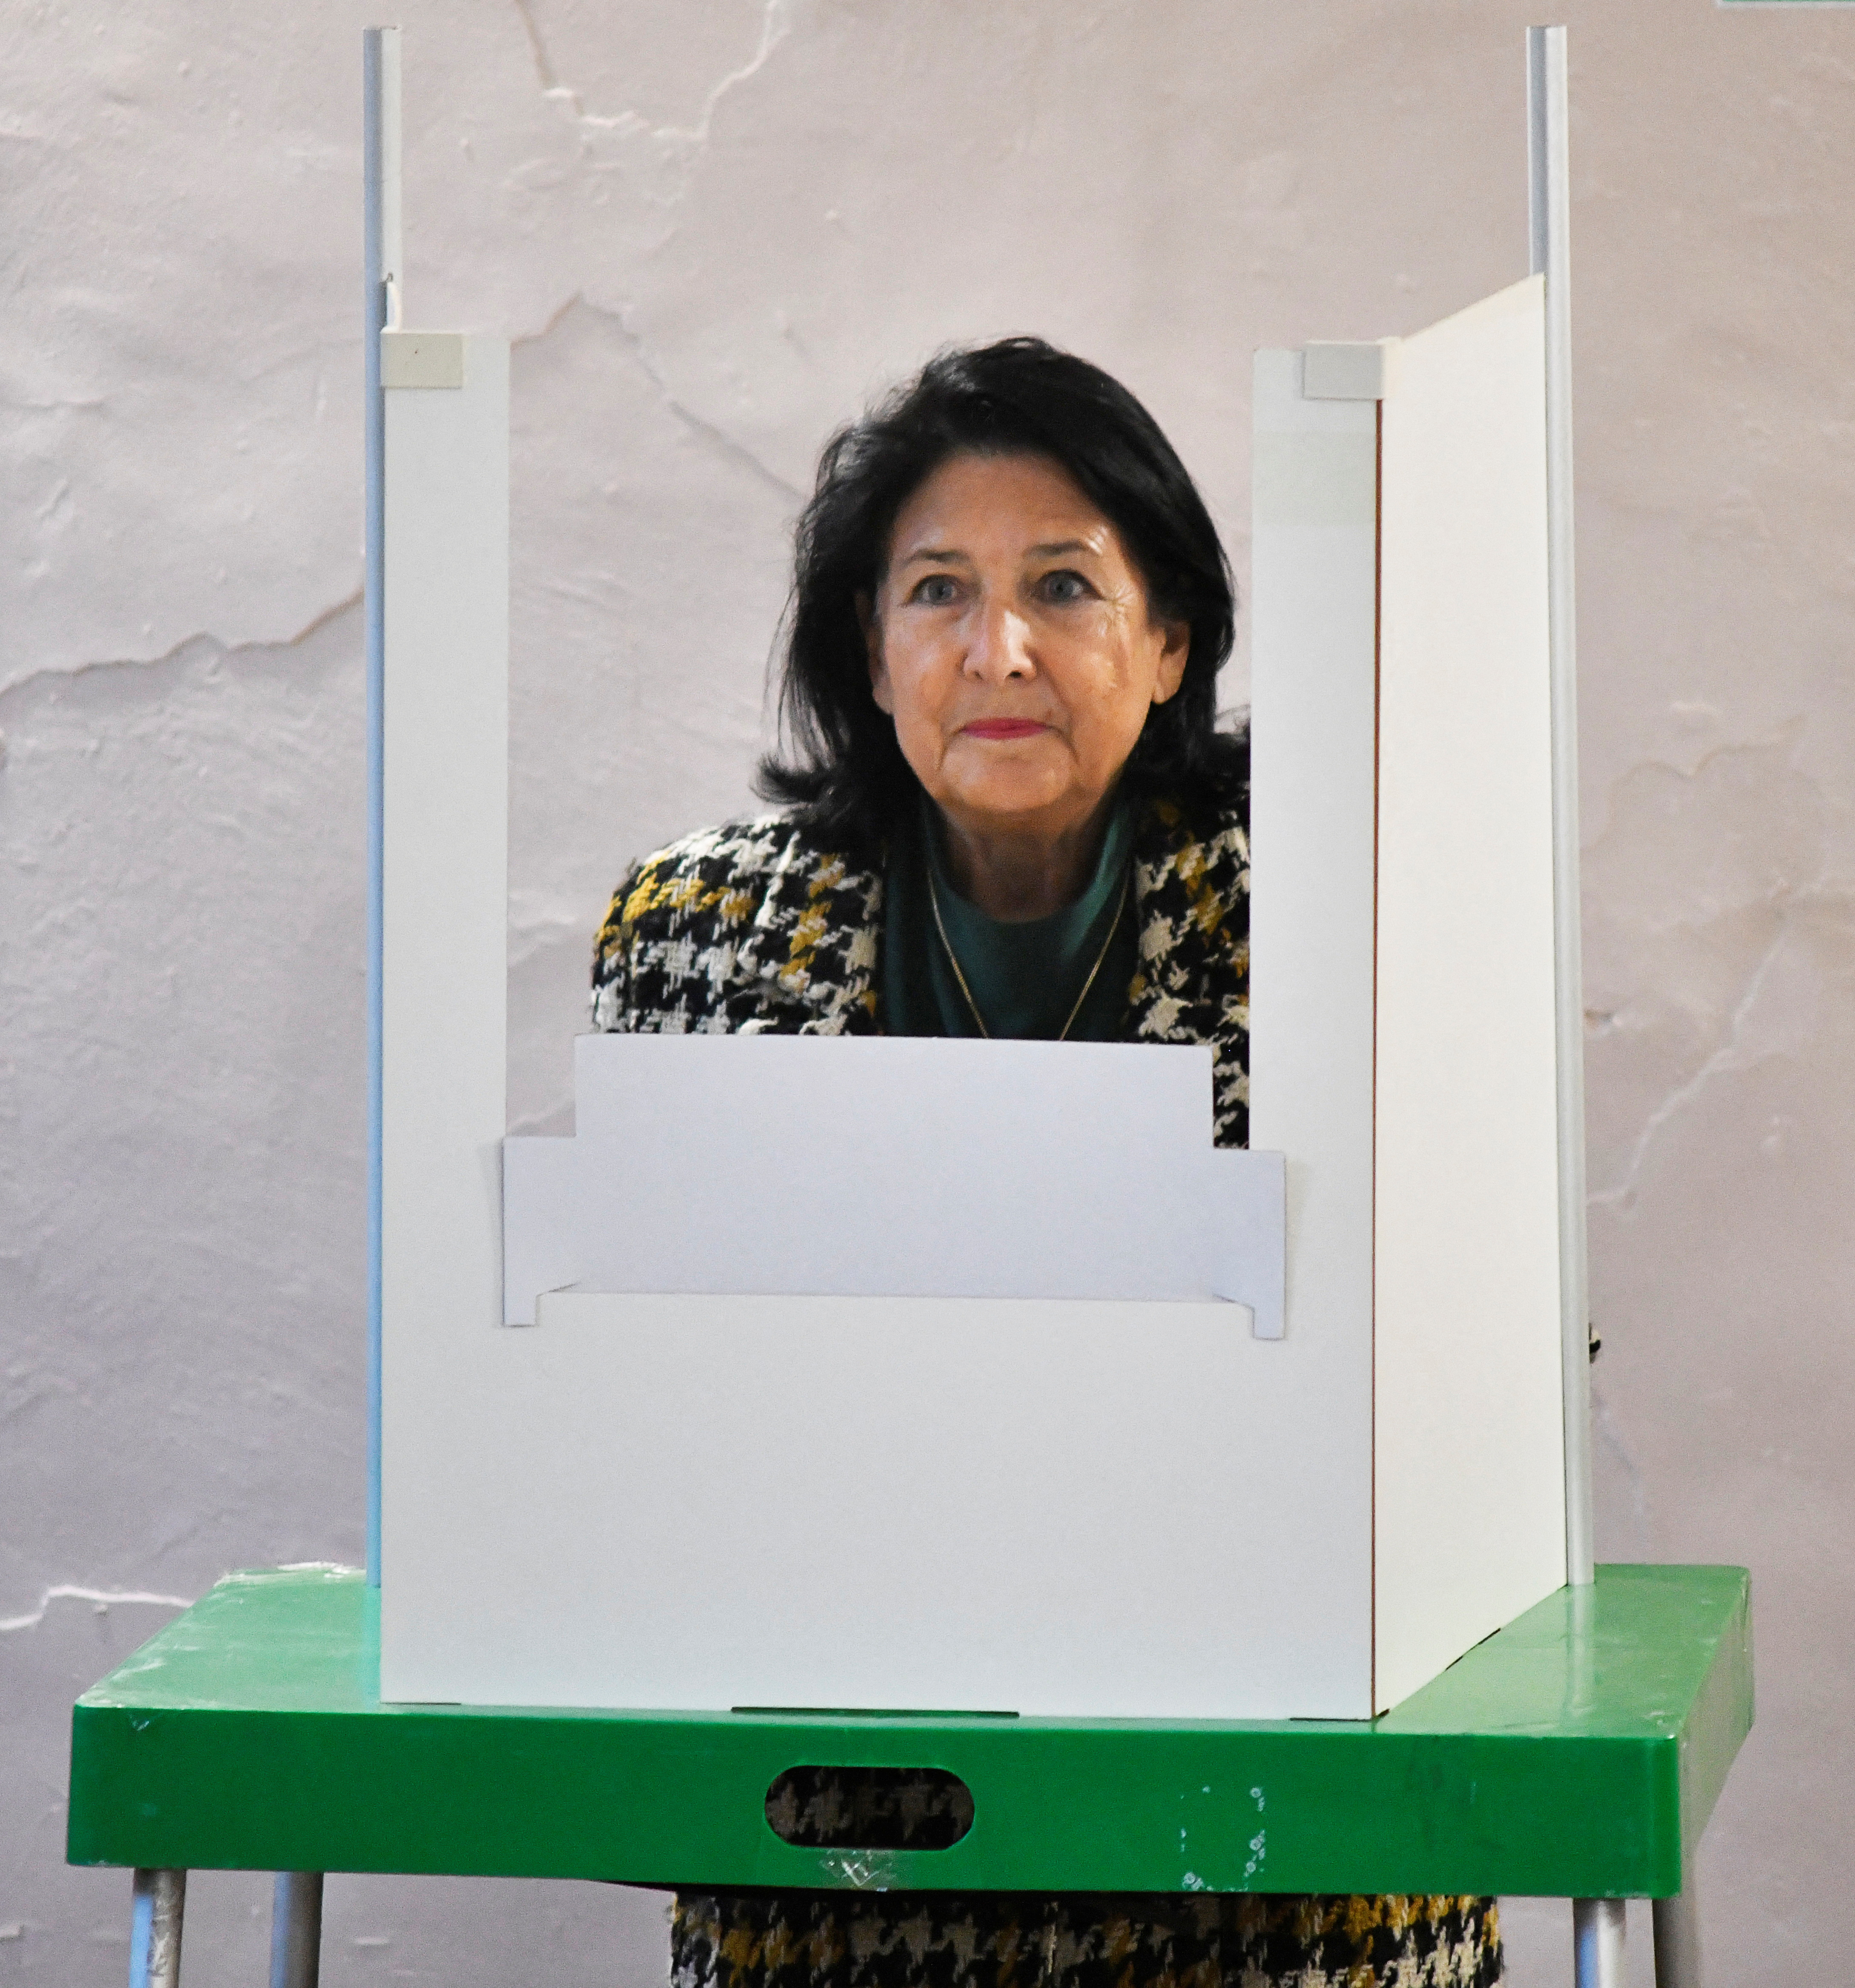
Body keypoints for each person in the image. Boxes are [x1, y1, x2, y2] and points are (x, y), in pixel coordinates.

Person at [592, 338, 1501, 1988]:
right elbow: (658, 1418)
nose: (995, 647)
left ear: (1169, 645)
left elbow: (1447, 1388)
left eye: (1066, 587)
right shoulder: (699, 933)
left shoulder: (1343, 924)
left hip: (1260, 1808)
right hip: (854, 1819)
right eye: (936, 590)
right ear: (868, 655)